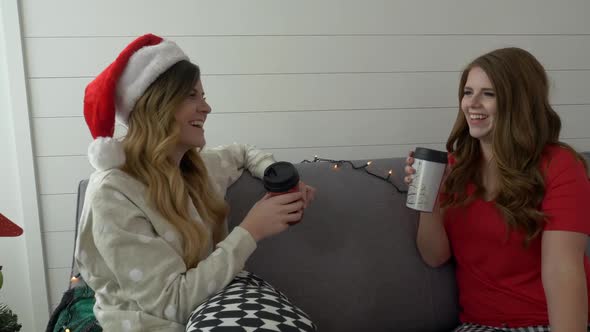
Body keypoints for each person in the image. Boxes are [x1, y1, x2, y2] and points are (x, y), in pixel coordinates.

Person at [75, 34, 316, 332]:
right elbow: (172, 303)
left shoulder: (197, 166)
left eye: (203, 95)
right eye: (192, 96)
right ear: (158, 105)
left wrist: (278, 175)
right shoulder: (113, 192)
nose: (207, 108)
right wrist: (251, 230)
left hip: (213, 313)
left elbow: (241, 152)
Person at [404, 47, 590, 331]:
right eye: (468, 92)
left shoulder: (560, 165)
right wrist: (431, 196)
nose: (472, 104)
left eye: (488, 94)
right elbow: (434, 256)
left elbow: (563, 269)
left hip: (546, 322)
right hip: (480, 325)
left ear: (519, 103)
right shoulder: (454, 166)